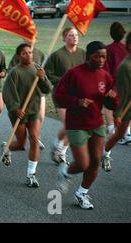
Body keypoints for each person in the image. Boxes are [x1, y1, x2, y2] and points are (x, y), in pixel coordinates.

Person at [55, 41, 117, 209]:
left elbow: (112, 105)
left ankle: (82, 193)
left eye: (104, 57)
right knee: (83, 164)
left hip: (97, 123)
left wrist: (113, 99)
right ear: (88, 56)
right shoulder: (73, 74)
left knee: (96, 161)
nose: (101, 60)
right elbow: (58, 96)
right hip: (76, 124)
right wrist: (77, 101)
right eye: (97, 56)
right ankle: (65, 171)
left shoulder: (105, 76)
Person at [2, 43, 52, 187]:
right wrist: (15, 108)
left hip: (34, 110)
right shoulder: (14, 72)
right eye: (24, 53)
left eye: (30, 52)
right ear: (18, 56)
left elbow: (47, 89)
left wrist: (43, 78)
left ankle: (31, 175)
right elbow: (7, 93)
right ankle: (7, 148)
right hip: (18, 112)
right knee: (21, 144)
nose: (29, 55)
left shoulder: (37, 68)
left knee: (35, 139)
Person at [45, 27, 86, 164]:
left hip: (77, 96)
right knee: (69, 124)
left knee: (76, 124)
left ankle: (61, 151)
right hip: (61, 94)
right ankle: (57, 145)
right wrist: (64, 81)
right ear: (64, 38)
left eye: (76, 35)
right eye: (70, 35)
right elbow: (48, 74)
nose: (74, 37)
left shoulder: (83, 54)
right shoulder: (57, 55)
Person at [102, 32, 131, 171]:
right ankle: (105, 153)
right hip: (127, 107)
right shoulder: (125, 67)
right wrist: (118, 114)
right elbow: (123, 93)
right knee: (120, 134)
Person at [103, 22, 128, 139]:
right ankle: (126, 131)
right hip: (126, 83)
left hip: (113, 84)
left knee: (108, 106)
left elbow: (106, 70)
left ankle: (111, 129)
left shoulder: (107, 49)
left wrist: (109, 88)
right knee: (126, 105)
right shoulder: (127, 48)